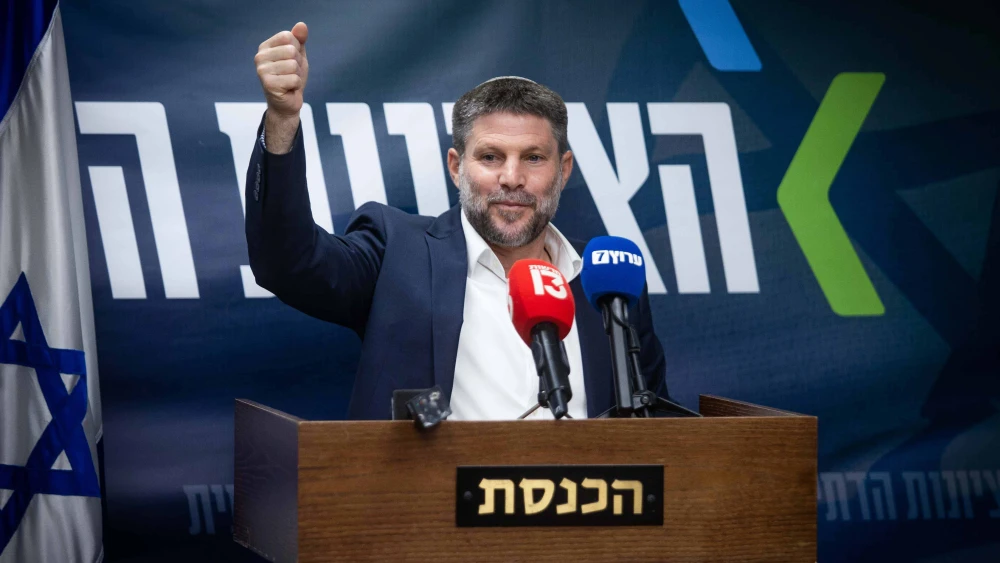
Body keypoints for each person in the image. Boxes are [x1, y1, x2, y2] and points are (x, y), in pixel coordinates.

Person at [246, 22, 667, 420]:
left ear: (564, 170)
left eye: (533, 158)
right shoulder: (396, 252)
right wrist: (283, 120)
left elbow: (659, 426)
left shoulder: (606, 285)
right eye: (490, 157)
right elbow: (289, 263)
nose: (512, 178)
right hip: (432, 497)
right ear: (455, 167)